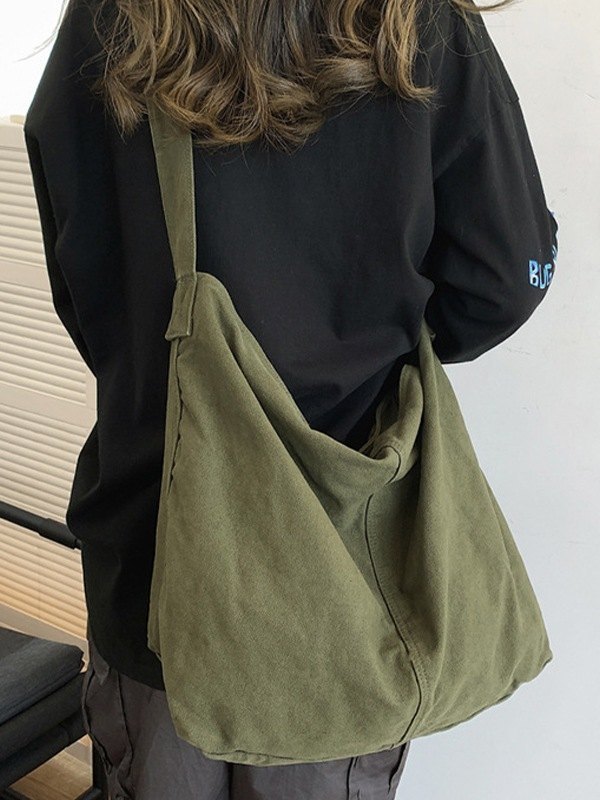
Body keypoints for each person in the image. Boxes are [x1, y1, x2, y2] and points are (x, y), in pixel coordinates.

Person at [23, 0, 558, 797]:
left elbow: (85, 287)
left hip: (155, 552)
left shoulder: (110, 19)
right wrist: (363, 354)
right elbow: (504, 281)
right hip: (346, 577)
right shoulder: (420, 23)